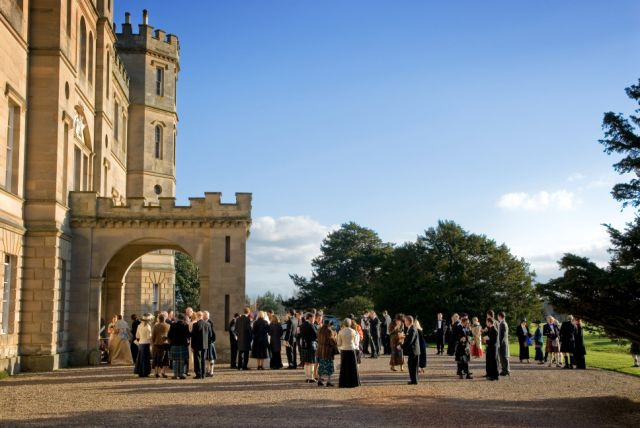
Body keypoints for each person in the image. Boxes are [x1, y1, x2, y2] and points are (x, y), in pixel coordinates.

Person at [337, 318, 361, 388]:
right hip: (351, 350)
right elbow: (356, 343)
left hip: (344, 350)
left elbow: (339, 343)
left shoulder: (341, 332)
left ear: (344, 323)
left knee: (344, 367)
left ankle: (343, 383)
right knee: (352, 368)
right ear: (350, 324)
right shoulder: (353, 331)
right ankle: (353, 383)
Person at [190, 311, 212, 379]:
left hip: (196, 345)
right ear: (202, 316)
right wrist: (207, 342)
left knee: (197, 360)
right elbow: (210, 335)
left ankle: (198, 374)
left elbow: (193, 336)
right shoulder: (207, 324)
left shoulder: (195, 325)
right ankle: (203, 374)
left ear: (197, 316)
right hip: (205, 344)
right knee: (203, 359)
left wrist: (192, 346)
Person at [316, 320, 338, 386]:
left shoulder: (319, 330)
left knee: (321, 366)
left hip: (320, 350)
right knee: (329, 366)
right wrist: (335, 337)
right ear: (329, 324)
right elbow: (332, 341)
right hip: (327, 351)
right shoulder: (329, 331)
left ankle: (319, 380)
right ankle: (329, 381)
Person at [168, 313, 190, 379]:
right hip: (182, 344)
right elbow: (188, 335)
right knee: (182, 360)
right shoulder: (185, 325)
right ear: (183, 318)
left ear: (178, 318)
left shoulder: (172, 325)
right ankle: (181, 374)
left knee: (175, 361)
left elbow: (169, 335)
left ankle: (175, 374)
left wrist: (171, 341)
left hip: (174, 344)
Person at [299, 312, 318, 383]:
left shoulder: (302, 325)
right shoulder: (311, 325)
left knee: (306, 362)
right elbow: (316, 335)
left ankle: (307, 377)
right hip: (311, 345)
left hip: (304, 345)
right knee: (312, 362)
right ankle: (311, 377)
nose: (314, 319)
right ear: (310, 318)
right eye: (313, 318)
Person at [403, 316, 421, 385]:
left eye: (405, 321)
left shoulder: (412, 329)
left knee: (413, 366)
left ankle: (414, 380)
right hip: (412, 351)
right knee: (411, 366)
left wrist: (401, 346)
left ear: (408, 321)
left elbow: (410, 341)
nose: (404, 322)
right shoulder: (410, 328)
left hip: (414, 351)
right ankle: (413, 380)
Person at [151, 313, 170, 378]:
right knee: (165, 359)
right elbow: (169, 336)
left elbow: (153, 336)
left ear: (159, 319)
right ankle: (163, 372)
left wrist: (153, 342)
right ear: (165, 319)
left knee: (157, 358)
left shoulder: (156, 326)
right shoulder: (168, 326)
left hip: (157, 344)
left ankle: (156, 372)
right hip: (165, 344)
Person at [134, 313, 153, 377]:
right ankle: (145, 372)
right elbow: (148, 337)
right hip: (146, 343)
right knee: (146, 358)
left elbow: (137, 335)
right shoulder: (148, 327)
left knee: (140, 358)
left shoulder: (139, 326)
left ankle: (140, 372)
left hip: (140, 343)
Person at [203, 311, 217, 376]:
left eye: (205, 315)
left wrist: (212, 341)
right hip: (205, 342)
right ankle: (207, 371)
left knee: (211, 358)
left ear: (207, 316)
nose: (204, 316)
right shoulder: (204, 322)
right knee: (206, 358)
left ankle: (211, 372)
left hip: (210, 342)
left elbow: (213, 333)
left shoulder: (210, 322)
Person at [497, 311, 510, 376]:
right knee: (502, 357)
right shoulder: (502, 323)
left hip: (503, 343)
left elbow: (503, 335)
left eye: (498, 316)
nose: (497, 317)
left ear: (500, 316)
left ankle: (506, 370)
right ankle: (504, 369)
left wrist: (499, 343)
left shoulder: (503, 324)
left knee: (504, 356)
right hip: (503, 343)